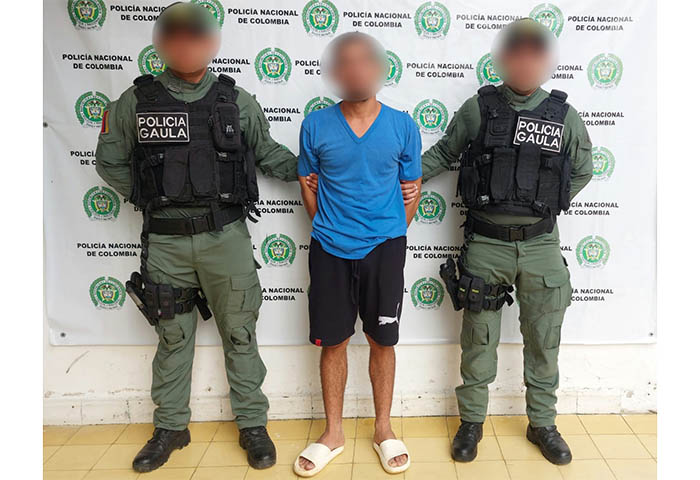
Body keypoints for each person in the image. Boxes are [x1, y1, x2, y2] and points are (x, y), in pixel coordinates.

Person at [95, 2, 297, 472]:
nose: (186, 43)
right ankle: (170, 427)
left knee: (240, 333)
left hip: (225, 238)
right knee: (172, 337)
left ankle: (252, 424)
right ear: (161, 42)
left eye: (196, 34)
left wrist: (326, 167)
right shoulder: (135, 102)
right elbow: (109, 162)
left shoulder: (236, 100)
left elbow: (270, 155)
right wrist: (150, 196)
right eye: (176, 34)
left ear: (212, 41)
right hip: (166, 243)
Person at [407, 18, 592, 465]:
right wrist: (403, 176)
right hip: (487, 244)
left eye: (534, 56)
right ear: (503, 59)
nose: (525, 64)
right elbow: (445, 152)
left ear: (545, 62)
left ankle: (542, 423)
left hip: (541, 245)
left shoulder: (564, 116)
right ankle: (472, 421)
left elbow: (582, 171)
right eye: (517, 54)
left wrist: (545, 202)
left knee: (544, 339)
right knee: (479, 338)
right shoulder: (479, 108)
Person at [294, 32, 422, 477]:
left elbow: (412, 189)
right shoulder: (315, 125)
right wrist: (331, 225)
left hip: (385, 248)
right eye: (345, 62)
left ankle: (383, 428)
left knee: (382, 340)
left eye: (364, 61)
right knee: (333, 341)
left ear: (380, 69)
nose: (356, 70)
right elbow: (308, 186)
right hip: (329, 247)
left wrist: (389, 232)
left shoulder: (403, 126)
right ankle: (333, 432)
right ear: (335, 72)